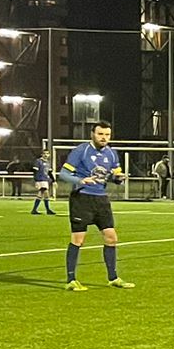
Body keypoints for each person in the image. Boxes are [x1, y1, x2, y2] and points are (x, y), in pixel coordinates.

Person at [59, 122, 134, 291]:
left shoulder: (112, 153)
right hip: (82, 198)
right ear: (92, 134)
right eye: (100, 134)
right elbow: (63, 174)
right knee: (78, 240)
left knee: (111, 238)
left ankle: (113, 278)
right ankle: (71, 280)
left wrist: (119, 179)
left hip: (101, 199)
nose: (104, 138)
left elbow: (114, 176)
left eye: (107, 135)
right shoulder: (81, 150)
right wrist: (80, 180)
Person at [31, 148, 55, 216]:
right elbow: (35, 171)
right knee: (45, 193)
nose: (46, 155)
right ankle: (47, 210)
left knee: (42, 194)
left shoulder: (48, 163)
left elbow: (49, 172)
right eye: (44, 153)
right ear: (42, 154)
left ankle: (35, 210)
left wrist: (53, 180)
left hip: (45, 180)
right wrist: (36, 179)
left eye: (47, 153)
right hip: (40, 179)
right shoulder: (38, 161)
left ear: (49, 155)